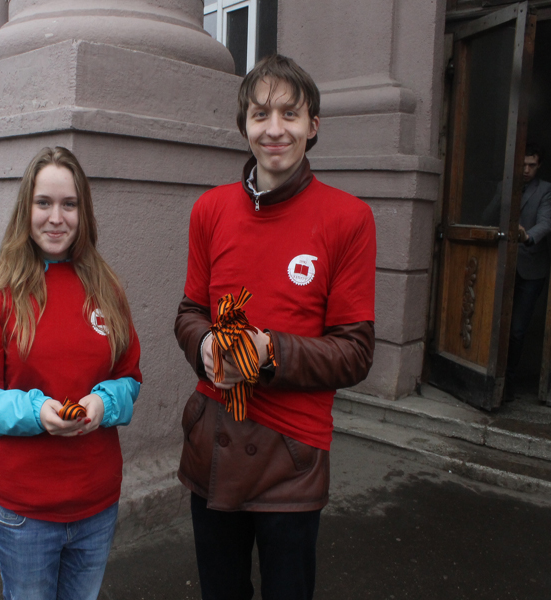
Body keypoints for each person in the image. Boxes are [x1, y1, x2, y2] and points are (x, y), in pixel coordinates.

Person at [174, 55, 376, 600]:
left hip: (293, 455)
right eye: (260, 114)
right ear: (244, 125)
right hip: (213, 439)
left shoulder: (349, 218)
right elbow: (189, 312)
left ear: (313, 125)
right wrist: (206, 344)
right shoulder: (209, 210)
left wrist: (268, 353)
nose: (275, 128)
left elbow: (355, 353)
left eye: (290, 113)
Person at [0, 146, 142, 600]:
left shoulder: (107, 287)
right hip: (25, 513)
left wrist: (105, 403)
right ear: (27, 208)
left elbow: (130, 377)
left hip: (96, 505)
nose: (56, 218)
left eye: (69, 204)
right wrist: (36, 412)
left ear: (83, 211)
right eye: (44, 203)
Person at [506, 145, 551, 398]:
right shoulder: (506, 186)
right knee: (495, 325)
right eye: (522, 165)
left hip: (531, 269)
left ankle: (508, 384)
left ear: (539, 165)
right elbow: (488, 215)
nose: (526, 170)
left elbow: (545, 223)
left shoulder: (545, 190)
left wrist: (527, 237)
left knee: (517, 330)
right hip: (502, 266)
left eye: (531, 165)